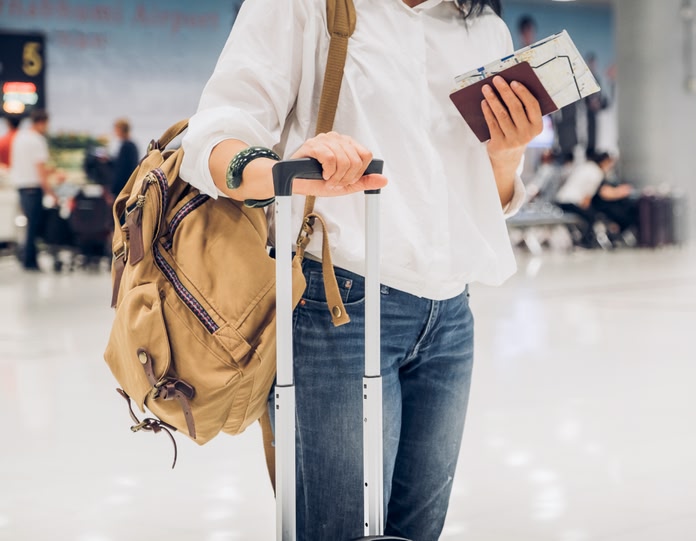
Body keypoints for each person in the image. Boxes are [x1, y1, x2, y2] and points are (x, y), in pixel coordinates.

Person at [179, 1, 542, 540]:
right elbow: (211, 139)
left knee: (419, 530)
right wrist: (286, 171)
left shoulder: (483, 28)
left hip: (450, 315)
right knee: (339, 528)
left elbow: (484, 196)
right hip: (336, 303)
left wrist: (508, 156)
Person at [9, 109, 58, 271]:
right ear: (42, 122)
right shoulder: (37, 140)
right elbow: (40, 170)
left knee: (30, 224)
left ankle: (27, 258)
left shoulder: (19, 138)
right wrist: (51, 192)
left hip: (21, 187)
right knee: (34, 226)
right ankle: (29, 261)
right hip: (33, 188)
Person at [110, 118, 139, 197]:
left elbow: (121, 170)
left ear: (120, 130)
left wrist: (114, 190)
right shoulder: (131, 145)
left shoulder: (126, 146)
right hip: (129, 186)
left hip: (124, 188)